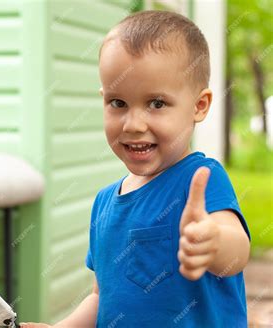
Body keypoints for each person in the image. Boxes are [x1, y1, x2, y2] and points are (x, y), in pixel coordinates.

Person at [20, 10, 251, 328]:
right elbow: (101, 298)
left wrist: (213, 242)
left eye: (156, 103)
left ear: (199, 106)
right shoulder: (103, 204)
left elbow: (237, 252)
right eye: (118, 103)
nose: (133, 124)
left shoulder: (199, 178)